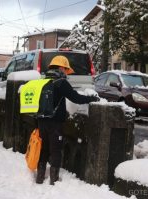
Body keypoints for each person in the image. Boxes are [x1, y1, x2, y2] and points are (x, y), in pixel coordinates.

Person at [36, 55, 100, 185]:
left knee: (44, 149)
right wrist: (92, 99)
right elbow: (75, 98)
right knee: (56, 151)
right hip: (55, 124)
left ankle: (40, 177)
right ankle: (54, 179)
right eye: (65, 69)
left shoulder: (42, 81)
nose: (66, 72)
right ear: (61, 67)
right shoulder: (61, 82)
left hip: (42, 121)